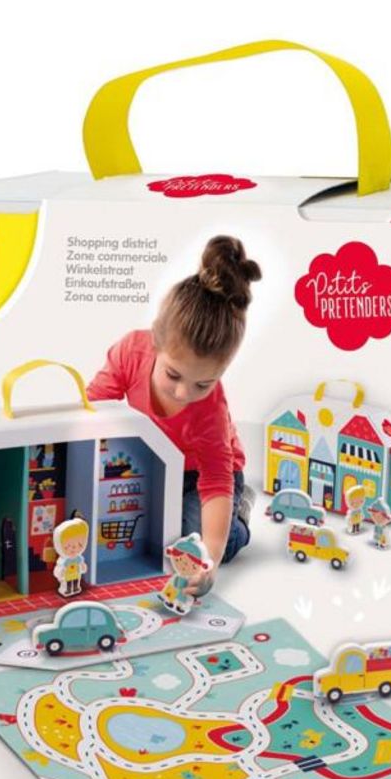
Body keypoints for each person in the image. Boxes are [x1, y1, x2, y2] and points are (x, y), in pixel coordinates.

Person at [87, 235, 258, 596]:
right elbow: (94, 408)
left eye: (203, 383)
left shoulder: (211, 409)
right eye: (173, 375)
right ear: (155, 343)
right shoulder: (131, 352)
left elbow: (216, 480)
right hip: (152, 467)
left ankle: (239, 516)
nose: (184, 393)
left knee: (189, 549)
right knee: (138, 530)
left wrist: (210, 561)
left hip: (205, 477)